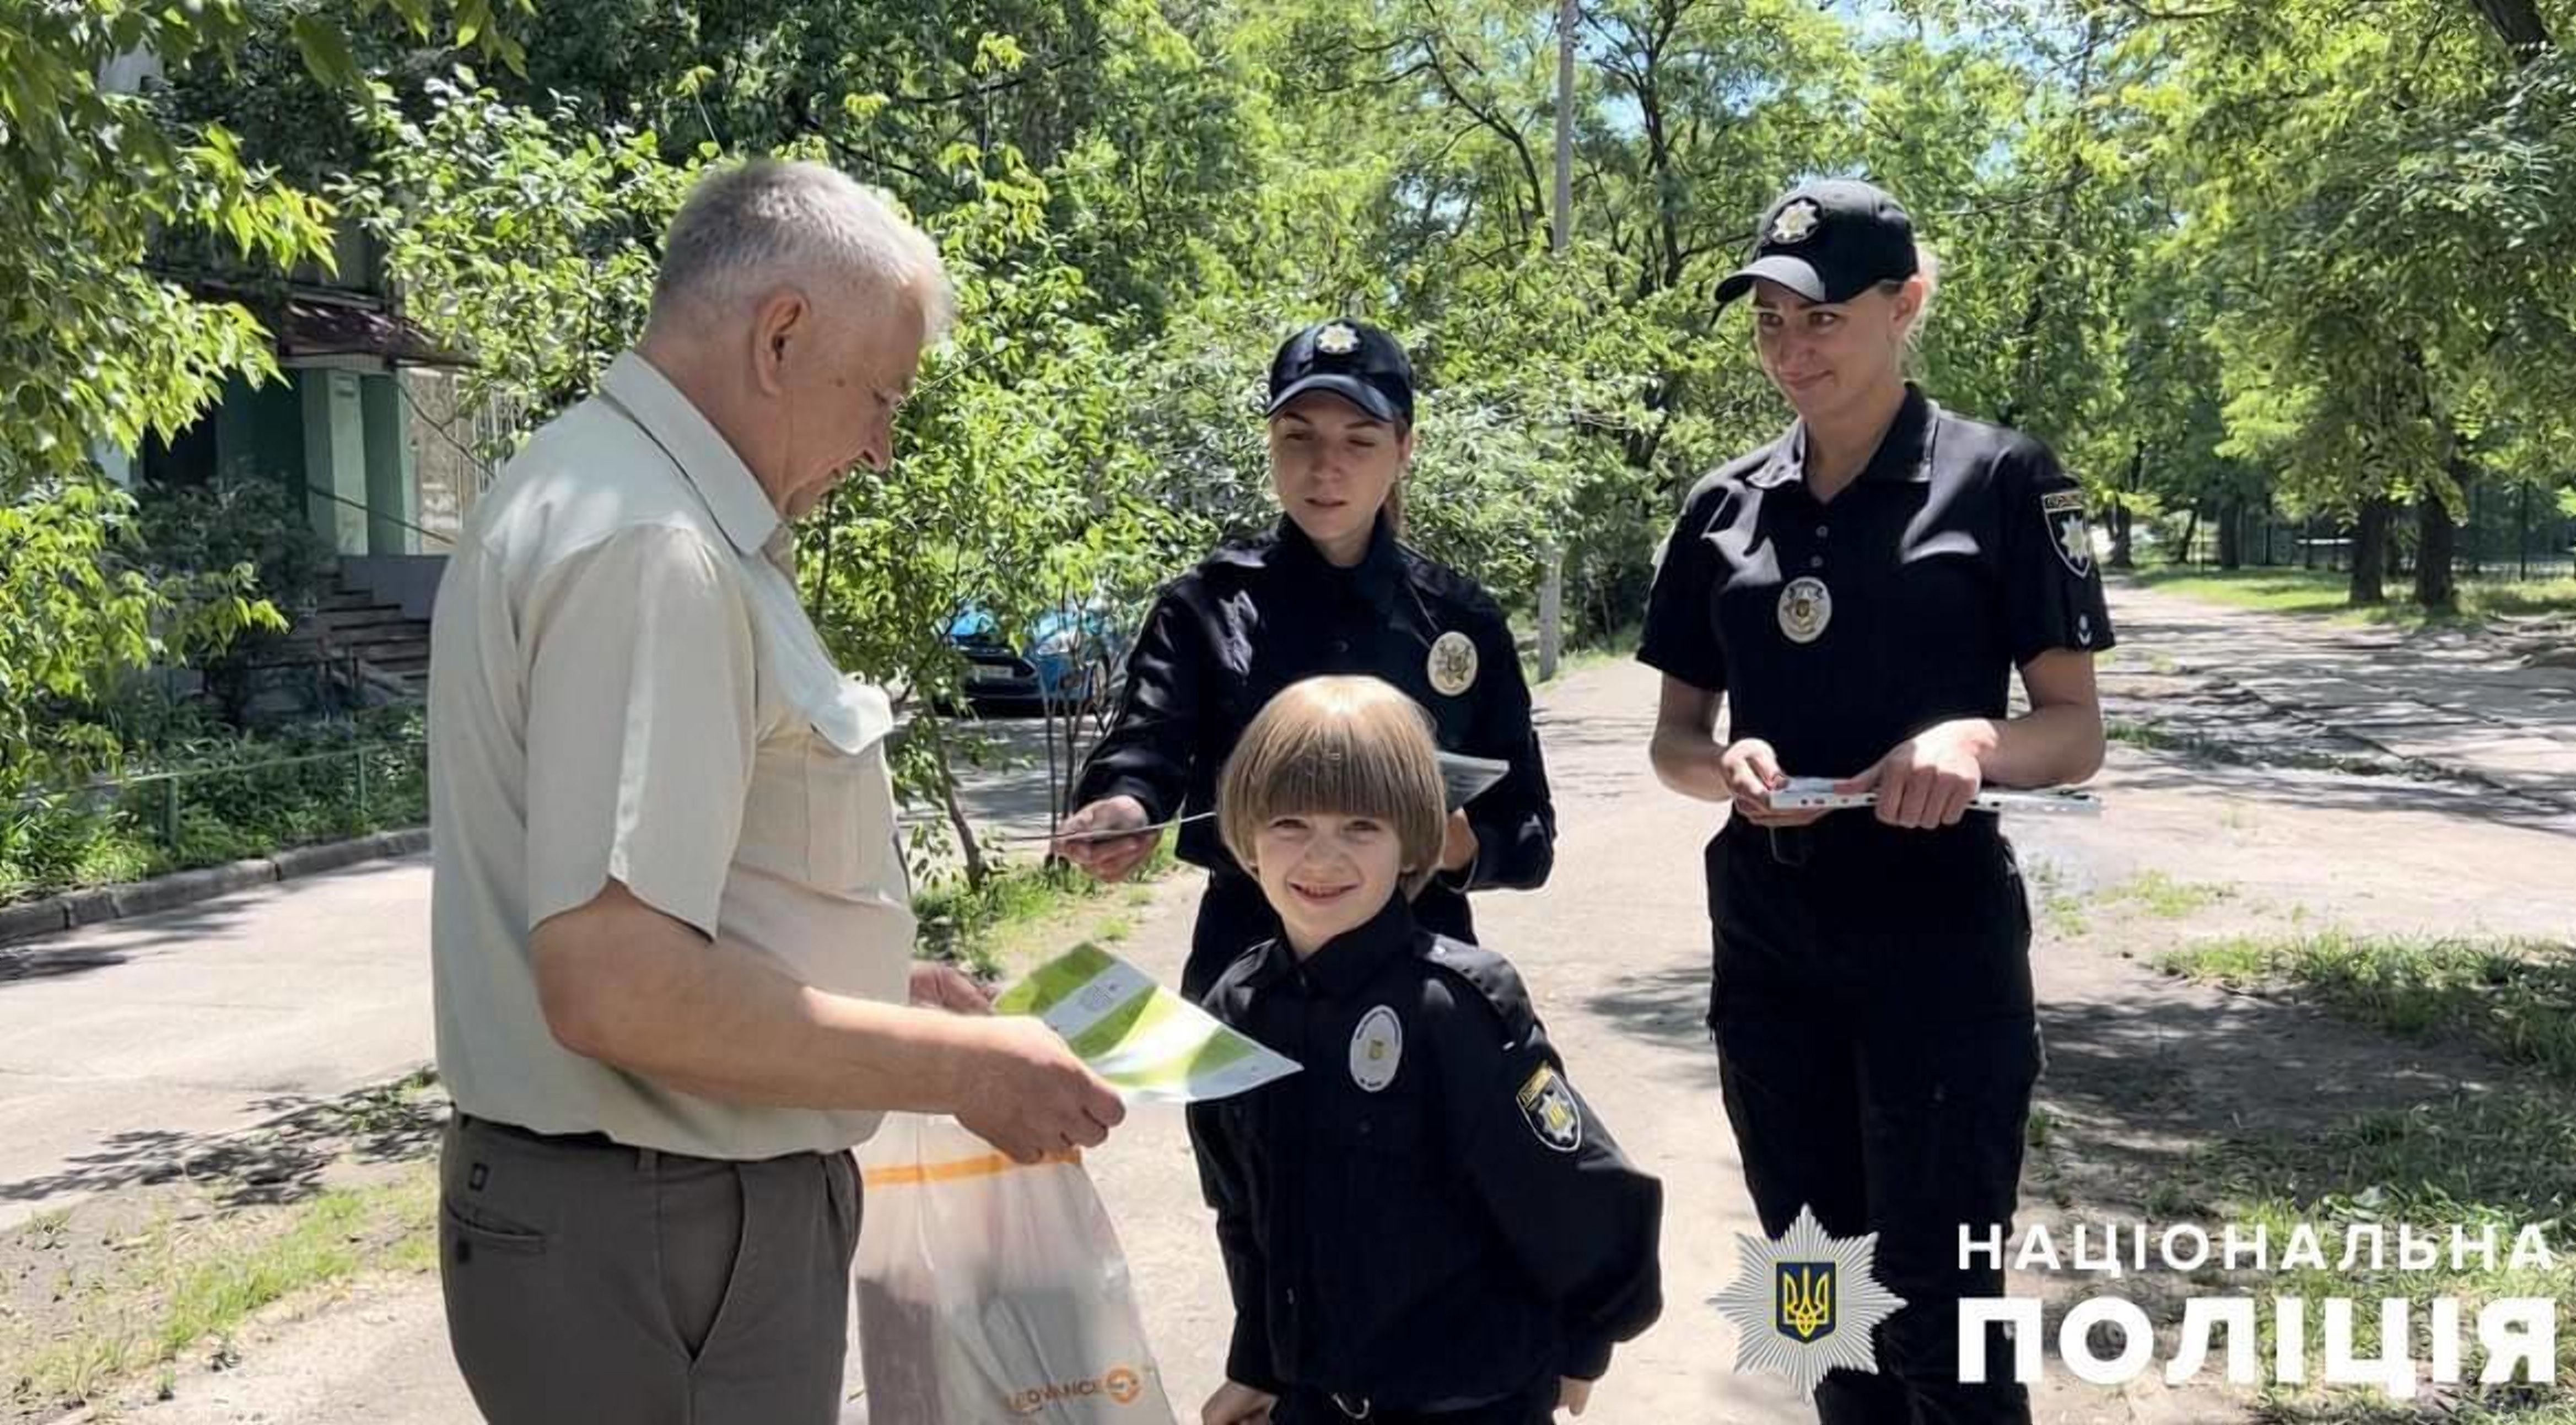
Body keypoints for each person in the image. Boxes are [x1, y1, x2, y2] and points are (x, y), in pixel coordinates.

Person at [425, 158, 1124, 1425]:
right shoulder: (658, 548)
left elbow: (690, 903)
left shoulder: (611, 492)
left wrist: (867, 988)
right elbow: (618, 982)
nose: (883, 448)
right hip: (668, 1233)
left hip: (649, 1224)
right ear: (782, 335)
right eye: (883, 397)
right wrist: (958, 1068)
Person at [1637, 178, 2112, 1423]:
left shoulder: (2000, 481)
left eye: (1820, 319)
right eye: (1768, 324)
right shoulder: (1721, 508)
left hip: (1935, 942)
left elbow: (2073, 730)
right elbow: (1673, 740)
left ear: (1903, 306)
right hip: (1770, 944)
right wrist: (1723, 767)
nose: (1789, 351)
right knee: (1818, 1307)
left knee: (1940, 1318)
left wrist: (1972, 741)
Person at [1189, 676, 1663, 1425]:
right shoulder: (1234, 1010)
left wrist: (1588, 1336)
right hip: (1317, 1399)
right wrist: (1257, 1364)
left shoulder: (1454, 1006)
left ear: (1413, 840)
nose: (1321, 857)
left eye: (1360, 827)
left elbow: (1572, 1192)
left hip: (1471, 1401)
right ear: (1246, 837)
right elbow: (1245, 1210)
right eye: (1289, 823)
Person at [1055, 319, 1556, 998]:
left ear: (1404, 448)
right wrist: (1123, 810)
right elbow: (1146, 749)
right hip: (1245, 979)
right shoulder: (1206, 607)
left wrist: (1447, 841)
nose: (1326, 467)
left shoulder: (1461, 620)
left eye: (1359, 441)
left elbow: (1529, 839)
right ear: (1271, 443)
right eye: (1300, 437)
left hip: (1422, 986)